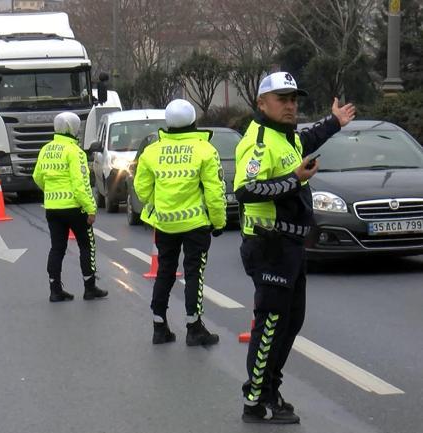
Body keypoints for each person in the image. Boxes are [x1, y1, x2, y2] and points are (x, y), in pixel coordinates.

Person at [234, 72, 356, 424]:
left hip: (290, 243)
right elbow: (244, 190)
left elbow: (306, 139)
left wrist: (334, 122)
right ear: (261, 103)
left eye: (294, 100)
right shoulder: (258, 141)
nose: (290, 106)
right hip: (267, 243)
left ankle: (270, 389)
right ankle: (255, 402)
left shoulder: (282, 137)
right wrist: (295, 180)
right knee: (271, 323)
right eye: (282, 99)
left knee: (291, 321)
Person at [133, 99, 226, 346]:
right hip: (196, 224)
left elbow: (141, 190)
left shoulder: (151, 151)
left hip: (164, 224)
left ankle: (159, 326)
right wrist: (218, 222)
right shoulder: (205, 150)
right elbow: (215, 193)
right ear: (194, 121)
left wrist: (162, 204)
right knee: (194, 273)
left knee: (165, 271)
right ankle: (194, 327)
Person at [33, 112, 108, 302]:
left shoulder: (46, 150)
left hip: (52, 208)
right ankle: (89, 287)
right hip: (75, 208)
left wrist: (50, 191)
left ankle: (55, 290)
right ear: (73, 129)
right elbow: (80, 184)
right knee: (86, 245)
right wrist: (90, 208)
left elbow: (37, 177)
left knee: (57, 248)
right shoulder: (75, 152)